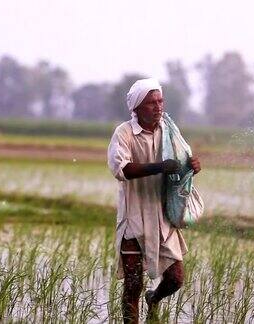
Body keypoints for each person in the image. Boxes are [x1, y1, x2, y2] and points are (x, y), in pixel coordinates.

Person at [107, 78, 201, 323]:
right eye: (151, 103)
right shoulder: (125, 133)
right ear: (137, 108)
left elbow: (182, 160)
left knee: (175, 279)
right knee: (133, 284)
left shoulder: (169, 130)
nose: (158, 107)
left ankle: (154, 299)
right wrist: (160, 167)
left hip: (162, 217)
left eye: (160, 101)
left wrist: (192, 166)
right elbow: (122, 169)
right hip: (134, 219)